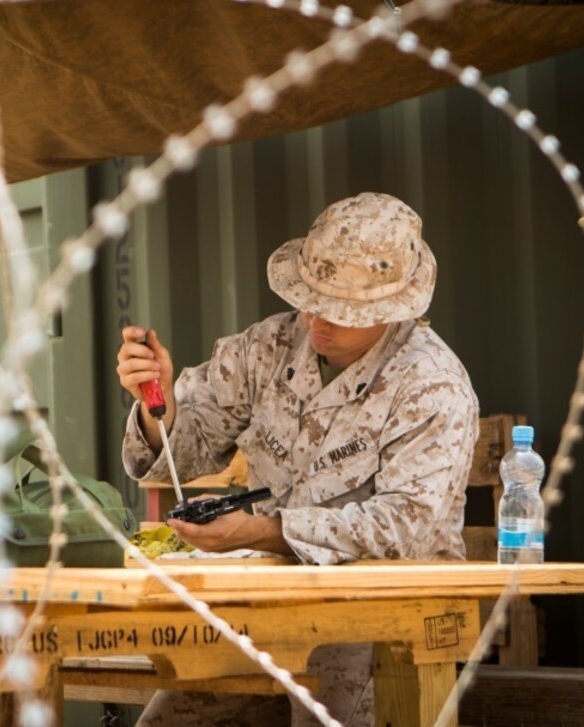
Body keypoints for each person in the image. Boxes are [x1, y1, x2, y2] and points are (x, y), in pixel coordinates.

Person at [116, 191, 480, 726]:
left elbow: (402, 529)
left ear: (391, 310)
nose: (315, 320)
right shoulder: (269, 346)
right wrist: (159, 403)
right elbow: (186, 450)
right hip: (268, 606)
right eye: (311, 299)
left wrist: (263, 532)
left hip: (384, 617)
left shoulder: (432, 385)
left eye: (339, 311)